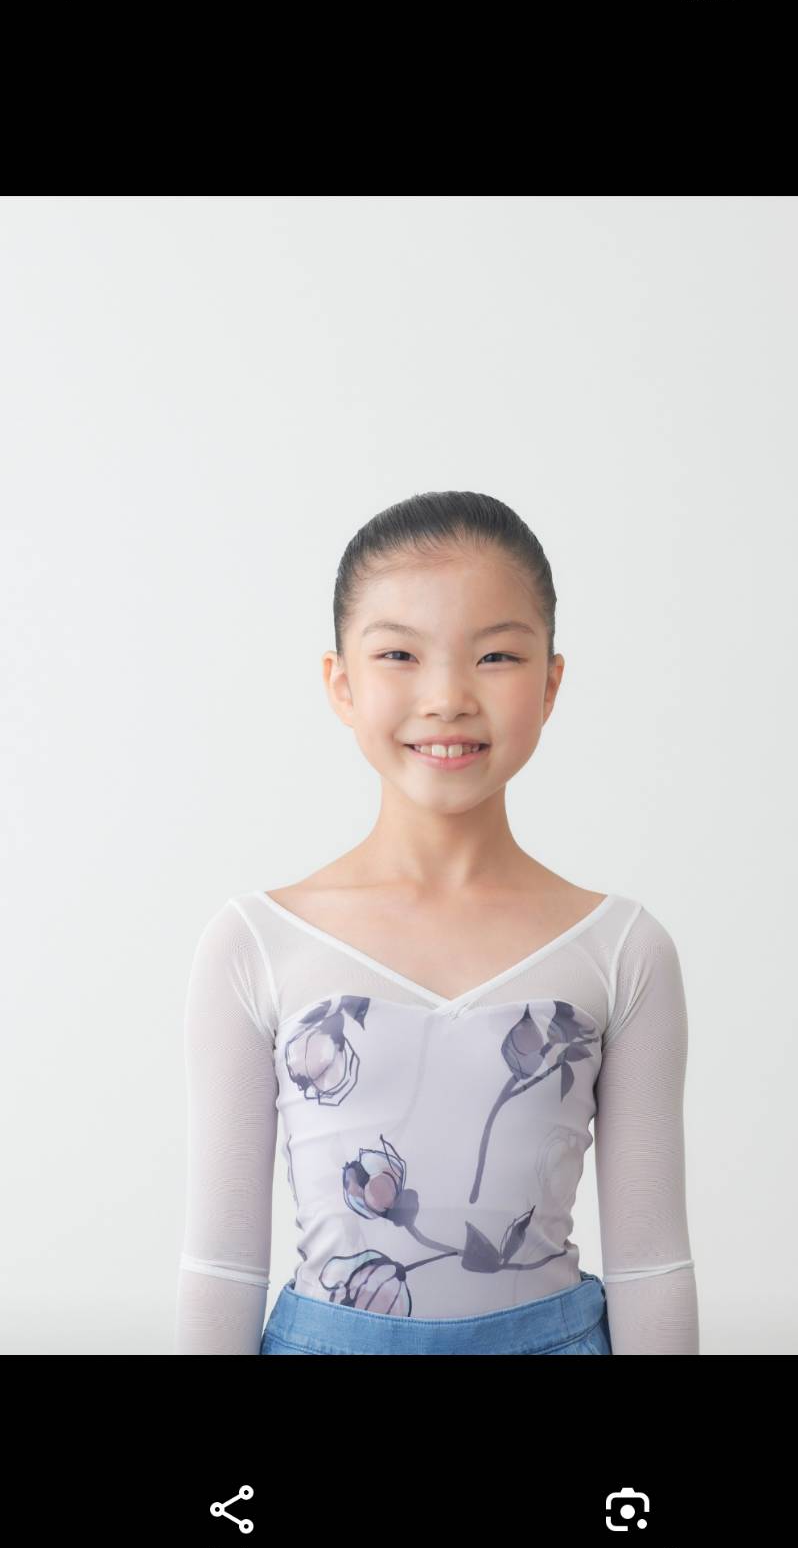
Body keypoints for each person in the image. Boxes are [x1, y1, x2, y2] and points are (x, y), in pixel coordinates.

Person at [174, 490, 698, 1354]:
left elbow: (652, 1266)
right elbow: (222, 1266)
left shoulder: (621, 949)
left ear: (550, 682)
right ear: (341, 683)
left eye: (495, 655)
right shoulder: (256, 944)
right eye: (399, 654)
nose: (448, 696)